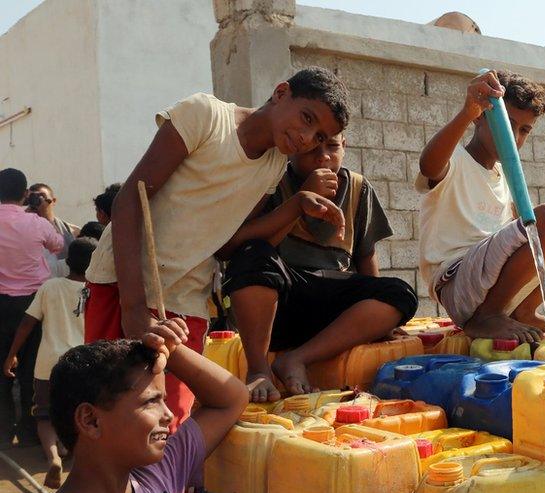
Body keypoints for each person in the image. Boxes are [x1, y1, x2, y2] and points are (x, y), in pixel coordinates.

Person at [84, 67, 348, 428]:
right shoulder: (205, 115)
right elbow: (131, 199)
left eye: (319, 136)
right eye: (307, 118)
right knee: (109, 413)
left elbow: (227, 246)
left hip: (185, 302)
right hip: (122, 284)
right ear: (281, 91)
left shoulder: (273, 167)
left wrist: (296, 206)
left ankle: (162, 489)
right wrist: (133, 307)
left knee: (167, 423)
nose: (306, 137)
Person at [415, 70, 545, 342]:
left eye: (524, 130)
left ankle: (525, 308)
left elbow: (526, 241)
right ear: (480, 117)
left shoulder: (507, 177)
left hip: (499, 284)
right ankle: (487, 316)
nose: (515, 137)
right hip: (458, 283)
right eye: (507, 124)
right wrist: (466, 111)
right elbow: (429, 165)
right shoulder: (456, 161)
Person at [7, 320, 249, 493]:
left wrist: (171, 351)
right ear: (90, 420)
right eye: (151, 402)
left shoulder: (159, 477)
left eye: (164, 400)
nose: (168, 415)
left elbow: (231, 399)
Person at [220, 135, 419, 401]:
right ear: (290, 151)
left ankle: (297, 359)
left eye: (333, 147)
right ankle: (259, 370)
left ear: (345, 146)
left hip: (334, 313)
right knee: (252, 254)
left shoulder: (359, 188)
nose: (323, 156)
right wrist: (299, 203)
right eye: (312, 149)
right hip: (281, 303)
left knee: (400, 293)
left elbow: (366, 255)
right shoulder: (275, 182)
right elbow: (248, 249)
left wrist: (380, 323)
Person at [3, 237, 97, 488]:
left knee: (45, 415)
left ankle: (53, 457)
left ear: (68, 262)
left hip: (48, 362)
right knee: (81, 413)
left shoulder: (51, 286)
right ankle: (77, 463)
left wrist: (12, 354)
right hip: (84, 362)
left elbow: (27, 323)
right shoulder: (97, 290)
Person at [0, 168, 64, 448]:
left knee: (1, 368)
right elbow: (59, 246)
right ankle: (28, 433)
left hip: (2, 304)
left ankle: (2, 433)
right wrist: (40, 212)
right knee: (31, 370)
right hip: (34, 305)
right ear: (25, 194)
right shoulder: (36, 224)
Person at [28, 183, 80, 279]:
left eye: (41, 197)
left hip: (63, 288)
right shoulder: (21, 232)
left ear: (53, 201)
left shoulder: (72, 232)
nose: (35, 201)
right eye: (31, 198)